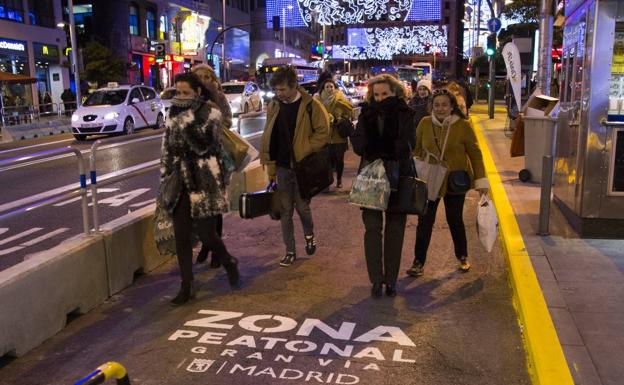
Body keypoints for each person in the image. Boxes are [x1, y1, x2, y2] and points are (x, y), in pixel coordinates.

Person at [159, 72, 240, 305]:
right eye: (177, 93)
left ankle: (228, 261)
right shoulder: (172, 113)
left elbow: (204, 146)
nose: (180, 97)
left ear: (198, 93)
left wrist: (184, 121)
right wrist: (164, 175)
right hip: (180, 181)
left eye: (186, 93)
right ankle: (187, 285)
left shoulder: (211, 113)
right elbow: (167, 146)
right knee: (181, 236)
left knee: (207, 234)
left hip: (205, 180)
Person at [407, 89, 488, 277]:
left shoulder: (463, 126)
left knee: (455, 220)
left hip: (454, 179)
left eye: (444, 105)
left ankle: (462, 256)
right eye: (436, 105)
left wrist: (480, 180)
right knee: (425, 221)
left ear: (452, 106)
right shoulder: (425, 123)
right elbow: (416, 149)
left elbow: (475, 154)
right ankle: (418, 262)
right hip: (430, 180)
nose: (440, 108)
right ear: (431, 107)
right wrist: (417, 165)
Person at [351, 74, 416, 298]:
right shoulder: (366, 114)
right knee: (372, 230)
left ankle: (391, 280)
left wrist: (381, 147)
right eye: (376, 95)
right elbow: (359, 146)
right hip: (371, 177)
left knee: (395, 230)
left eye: (384, 94)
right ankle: (376, 280)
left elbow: (408, 145)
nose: (380, 99)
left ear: (395, 93)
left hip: (398, 176)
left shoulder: (404, 113)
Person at [260, 66, 330, 267]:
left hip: (302, 167)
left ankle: (309, 235)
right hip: (282, 166)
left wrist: (305, 148)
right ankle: (290, 251)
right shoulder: (274, 105)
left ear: (293, 86)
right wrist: (271, 169)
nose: (278, 93)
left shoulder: (310, 105)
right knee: (285, 211)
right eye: (276, 90)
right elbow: (269, 137)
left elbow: (322, 132)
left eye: (282, 89)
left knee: (303, 208)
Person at [191, 64, 233, 269]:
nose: (203, 80)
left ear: (213, 78)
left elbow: (228, 121)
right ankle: (207, 245)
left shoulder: (218, 97)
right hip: (194, 162)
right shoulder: (189, 98)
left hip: (216, 159)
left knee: (215, 207)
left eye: (207, 76)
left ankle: (216, 250)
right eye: (199, 76)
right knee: (199, 207)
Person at [314, 77, 353, 188]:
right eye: (327, 86)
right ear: (323, 88)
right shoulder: (317, 99)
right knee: (326, 161)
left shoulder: (341, 98)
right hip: (324, 136)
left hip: (338, 135)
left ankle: (339, 180)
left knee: (339, 160)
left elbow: (349, 113)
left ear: (335, 88)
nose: (329, 88)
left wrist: (339, 119)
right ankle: (327, 181)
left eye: (331, 86)